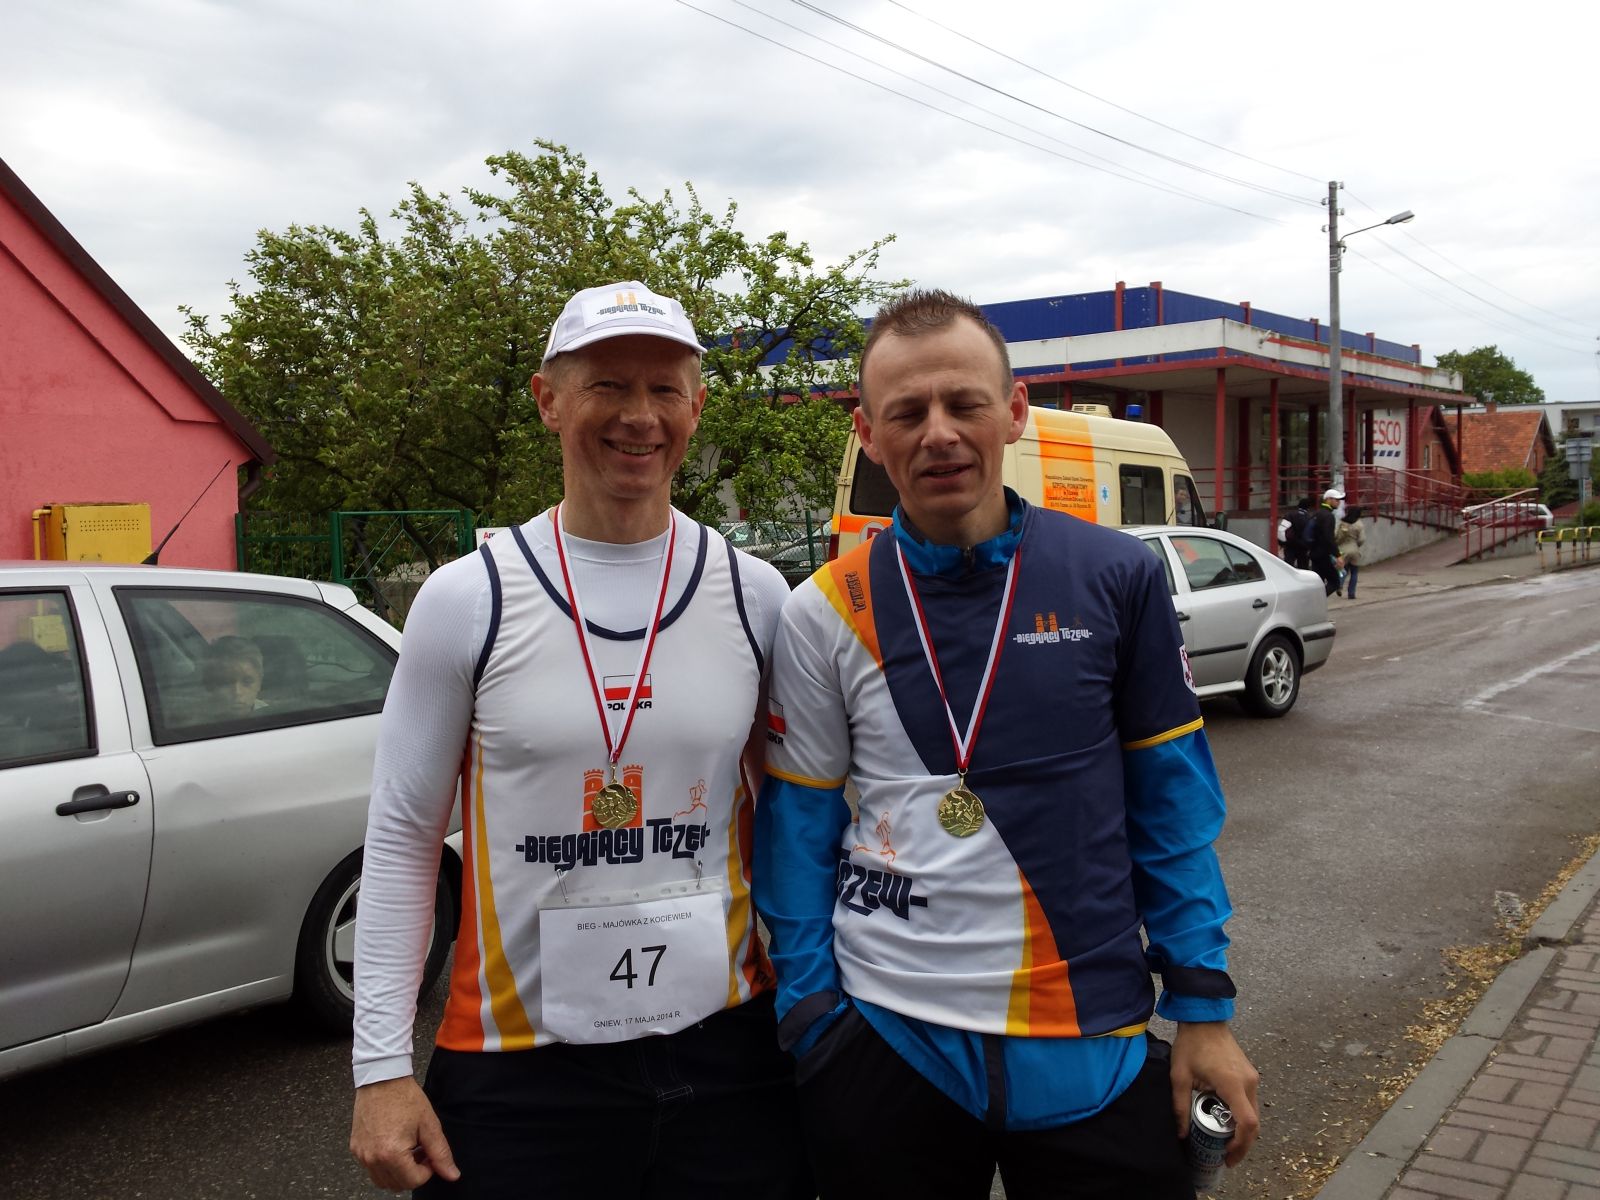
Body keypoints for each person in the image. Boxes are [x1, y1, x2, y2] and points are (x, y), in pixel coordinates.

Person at [753, 288, 1259, 1199]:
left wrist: (1204, 1009)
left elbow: (1173, 811)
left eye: (965, 403)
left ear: (1014, 411)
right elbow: (797, 830)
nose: (938, 433)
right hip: (887, 1041)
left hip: (1090, 1041)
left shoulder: (1117, 575)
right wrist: (812, 1019)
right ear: (869, 433)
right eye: (907, 412)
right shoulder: (823, 607)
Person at [349, 281, 808, 1199]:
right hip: (520, 1067)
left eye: (665, 388)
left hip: (726, 1052)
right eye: (608, 384)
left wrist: (818, 1004)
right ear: (548, 400)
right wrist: (380, 1069)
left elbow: (797, 820)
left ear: (696, 407)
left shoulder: (756, 594)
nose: (640, 415)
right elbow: (402, 836)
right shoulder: (467, 598)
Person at [202, 635, 264, 718]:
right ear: (210, 685)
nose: (237, 692)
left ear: (259, 683)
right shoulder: (197, 720)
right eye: (226, 682)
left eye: (247, 682)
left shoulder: (272, 715)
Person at [1307, 486, 1345, 597]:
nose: (1339, 502)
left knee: (1318, 583)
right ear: (1328, 499)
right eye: (1336, 500)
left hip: (1314, 553)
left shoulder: (1316, 513)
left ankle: (1315, 602)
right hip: (1323, 554)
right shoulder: (1328, 516)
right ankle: (1316, 602)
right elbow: (1328, 538)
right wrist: (1338, 555)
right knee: (1335, 581)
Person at [1335, 505, 1367, 599]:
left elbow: (1337, 536)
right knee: (1354, 572)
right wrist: (1356, 545)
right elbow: (1362, 539)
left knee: (1342, 570)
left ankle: (1339, 586)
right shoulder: (1359, 524)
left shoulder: (1342, 523)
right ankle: (1351, 593)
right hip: (1354, 549)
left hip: (1342, 549)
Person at [1280, 497, 1313, 568]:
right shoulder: (1309, 518)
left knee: (1288, 567)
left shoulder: (1289, 515)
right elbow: (1311, 534)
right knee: (1303, 568)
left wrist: (1282, 543)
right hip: (1303, 548)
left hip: (1290, 546)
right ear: (1308, 507)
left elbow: (1281, 530)